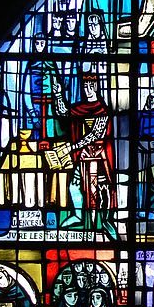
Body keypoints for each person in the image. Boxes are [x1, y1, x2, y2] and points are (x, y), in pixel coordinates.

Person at [54, 73, 117, 238]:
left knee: (99, 191)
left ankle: (102, 221)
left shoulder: (102, 110)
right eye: (85, 87)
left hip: (98, 158)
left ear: (97, 87)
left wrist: (72, 147)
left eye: (91, 86)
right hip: (83, 156)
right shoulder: (80, 108)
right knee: (75, 187)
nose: (88, 90)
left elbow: (95, 135)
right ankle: (78, 216)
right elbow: (63, 113)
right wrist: (59, 94)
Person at [23, 32, 64, 140]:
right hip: (35, 104)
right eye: (37, 43)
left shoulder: (50, 64)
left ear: (46, 44)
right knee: (36, 134)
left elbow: (56, 84)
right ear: (34, 44)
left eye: (42, 43)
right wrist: (32, 114)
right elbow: (26, 90)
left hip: (50, 104)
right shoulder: (30, 65)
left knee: (50, 131)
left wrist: (58, 93)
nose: (40, 46)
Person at [138, 93, 154, 212]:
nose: (152, 101)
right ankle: (140, 207)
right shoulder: (141, 114)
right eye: (150, 99)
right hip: (141, 149)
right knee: (140, 179)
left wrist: (153, 144)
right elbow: (138, 132)